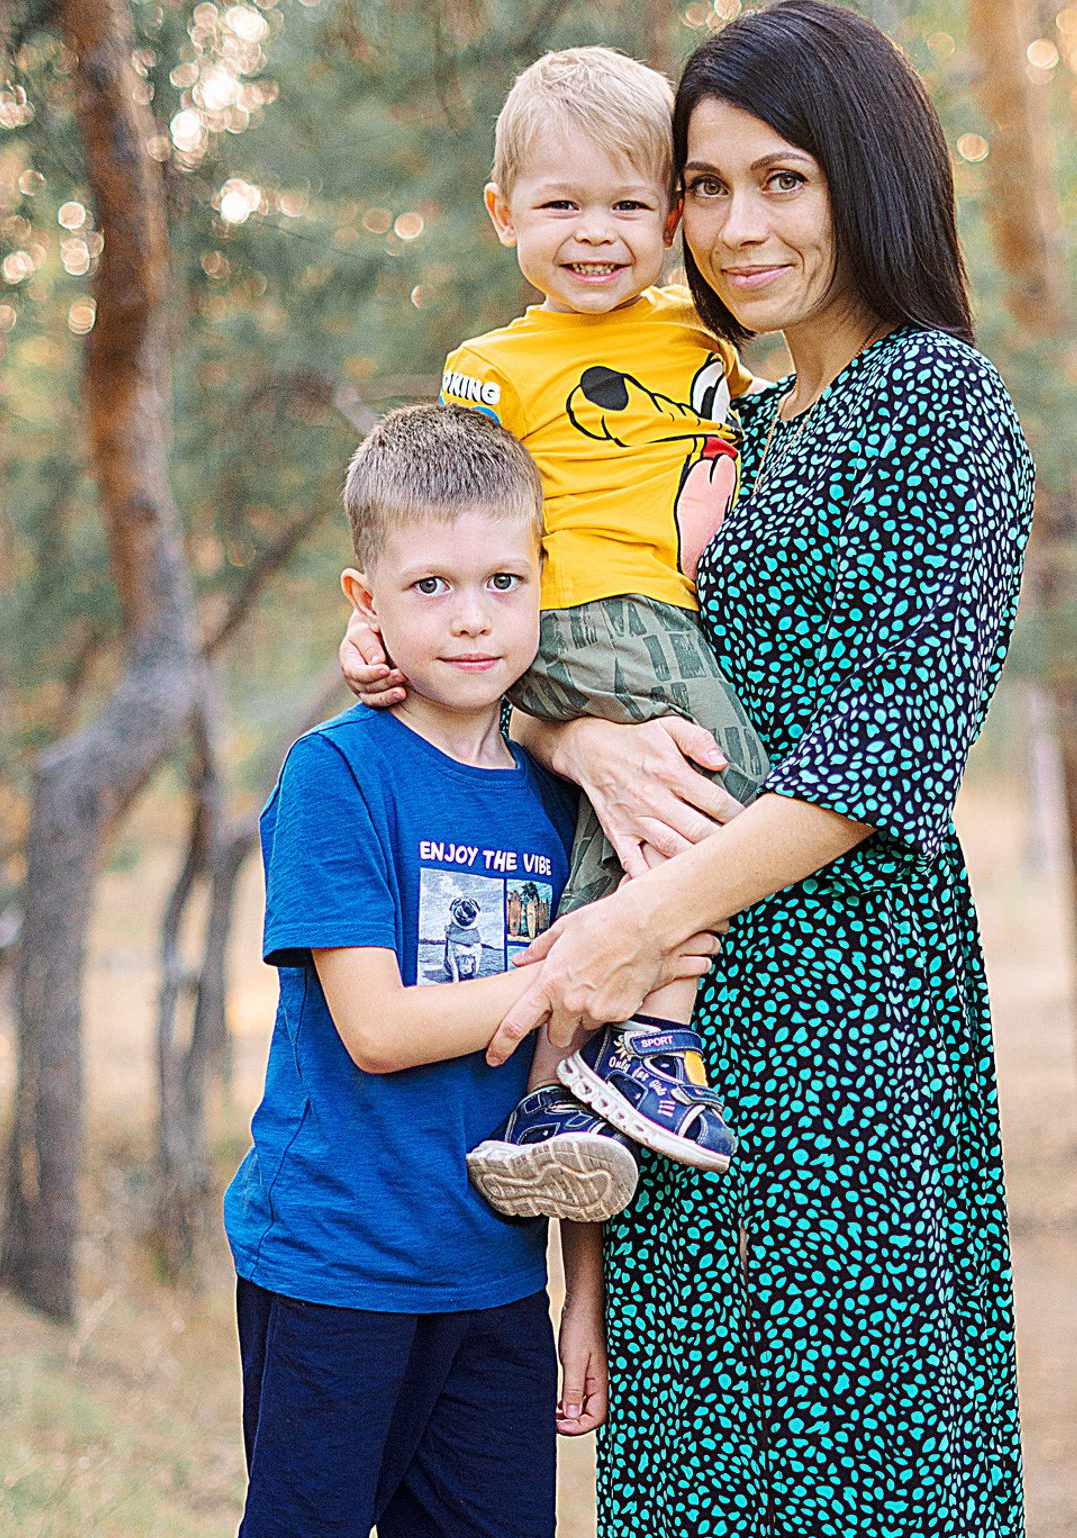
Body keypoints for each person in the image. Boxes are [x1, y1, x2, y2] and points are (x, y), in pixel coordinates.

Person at [345, 5, 1077, 1538]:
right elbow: (562, 646)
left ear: (873, 176)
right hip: (674, 1055)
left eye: (785, 177)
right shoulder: (731, 414)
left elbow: (884, 755)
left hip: (843, 1024)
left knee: (898, 1530)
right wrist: (569, 737)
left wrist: (628, 920)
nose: (741, 222)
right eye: (709, 184)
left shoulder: (937, 403)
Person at [220, 404, 715, 1538]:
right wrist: (570, 979)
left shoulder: (568, 800)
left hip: (494, 1277)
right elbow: (372, 1027)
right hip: (338, 1254)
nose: (475, 615)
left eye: (504, 581)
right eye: (431, 586)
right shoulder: (341, 776)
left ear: (544, 581)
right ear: (367, 605)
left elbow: (578, 1094)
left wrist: (581, 1293)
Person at [412, 45, 773, 1214]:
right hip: (578, 614)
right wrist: (386, 630)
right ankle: (651, 1044)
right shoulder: (490, 368)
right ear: (501, 212)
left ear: (672, 215)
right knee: (736, 799)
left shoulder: (699, 345)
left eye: (629, 204)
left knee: (622, 835)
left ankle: (558, 1092)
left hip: (663, 612)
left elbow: (712, 473)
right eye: (560, 204)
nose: (596, 233)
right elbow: (445, 515)